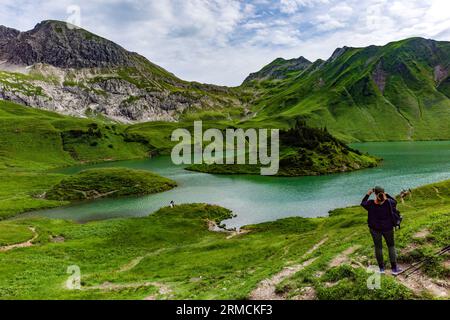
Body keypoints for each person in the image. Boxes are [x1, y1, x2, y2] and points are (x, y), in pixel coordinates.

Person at [361, 186, 402, 275]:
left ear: (375, 194)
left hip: (375, 229)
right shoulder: (389, 202)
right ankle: (394, 269)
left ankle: (381, 269)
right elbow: (395, 201)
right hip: (388, 228)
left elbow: (363, 203)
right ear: (383, 193)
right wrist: (386, 195)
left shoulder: (371, 203)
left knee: (378, 247)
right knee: (391, 246)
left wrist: (368, 194)